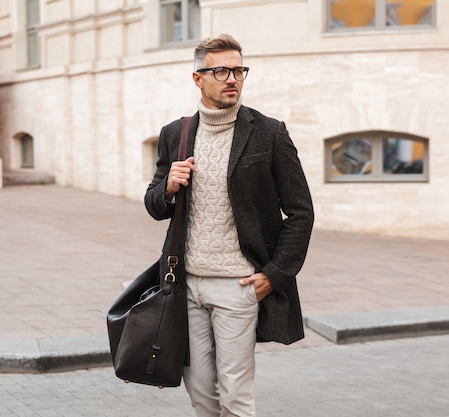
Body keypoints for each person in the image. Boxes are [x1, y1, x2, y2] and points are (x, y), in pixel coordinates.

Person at [144, 34, 314, 417]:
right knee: (201, 395)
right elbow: (155, 205)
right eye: (220, 70)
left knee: (235, 395)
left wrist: (275, 275)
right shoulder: (177, 133)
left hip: (238, 285)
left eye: (238, 70)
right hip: (185, 284)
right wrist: (168, 187)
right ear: (198, 78)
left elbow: (301, 212)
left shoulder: (268, 133)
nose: (231, 78)